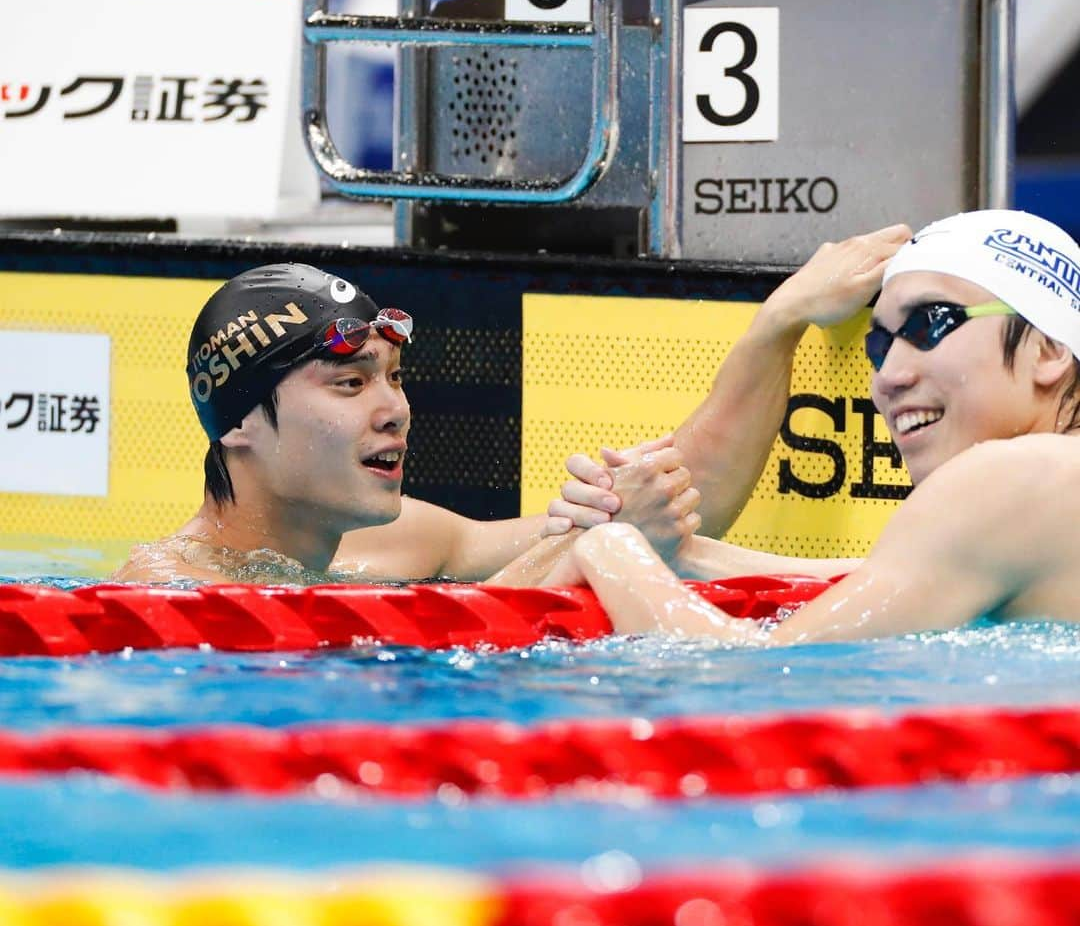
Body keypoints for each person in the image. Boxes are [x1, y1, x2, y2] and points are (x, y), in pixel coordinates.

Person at [114, 221, 904, 586]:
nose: (393, 407)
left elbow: (685, 500)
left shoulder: (395, 544)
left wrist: (780, 320)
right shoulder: (165, 590)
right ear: (242, 421)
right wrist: (603, 542)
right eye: (351, 383)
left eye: (394, 376)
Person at [523, 209, 1080, 640]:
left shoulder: (1015, 474)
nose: (888, 377)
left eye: (928, 324)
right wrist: (688, 558)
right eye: (879, 346)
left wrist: (612, 554)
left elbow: (758, 673)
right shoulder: (1046, 494)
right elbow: (883, 577)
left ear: (1050, 348)